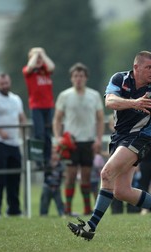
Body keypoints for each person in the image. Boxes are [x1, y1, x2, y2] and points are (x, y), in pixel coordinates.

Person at [67, 51, 151, 240]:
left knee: (106, 173)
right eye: (148, 67)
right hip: (119, 138)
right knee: (122, 191)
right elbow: (109, 101)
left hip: (140, 138)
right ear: (136, 67)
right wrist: (133, 103)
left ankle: (91, 226)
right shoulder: (120, 79)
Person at [53, 62, 105, 216]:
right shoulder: (65, 95)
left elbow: (100, 119)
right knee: (70, 175)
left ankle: (87, 208)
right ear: (71, 78)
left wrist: (98, 139)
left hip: (88, 140)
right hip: (71, 141)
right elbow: (57, 119)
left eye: (81, 76)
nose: (78, 79)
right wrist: (58, 137)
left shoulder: (94, 95)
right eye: (75, 76)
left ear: (86, 78)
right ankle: (67, 209)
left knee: (87, 176)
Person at [0, 73, 27, 220]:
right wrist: (0, 131)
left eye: (6, 83)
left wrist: (24, 130)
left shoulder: (16, 99)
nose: (5, 86)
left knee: (15, 176)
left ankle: (13, 209)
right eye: (2, 84)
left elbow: (21, 117)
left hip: (14, 143)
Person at [22, 47, 55, 170]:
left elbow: (52, 66)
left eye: (41, 57)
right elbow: (30, 66)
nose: (39, 59)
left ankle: (47, 159)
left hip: (49, 106)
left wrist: (43, 54)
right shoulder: (29, 71)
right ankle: (38, 159)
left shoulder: (45, 70)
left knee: (47, 134)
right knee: (39, 133)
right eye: (37, 57)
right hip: (36, 107)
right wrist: (36, 54)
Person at [40, 146, 65, 217]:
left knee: (59, 202)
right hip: (47, 186)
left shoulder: (60, 164)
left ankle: (62, 213)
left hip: (56, 187)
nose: (54, 155)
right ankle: (43, 214)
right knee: (45, 201)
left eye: (55, 153)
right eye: (52, 153)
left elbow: (62, 173)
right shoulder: (47, 163)